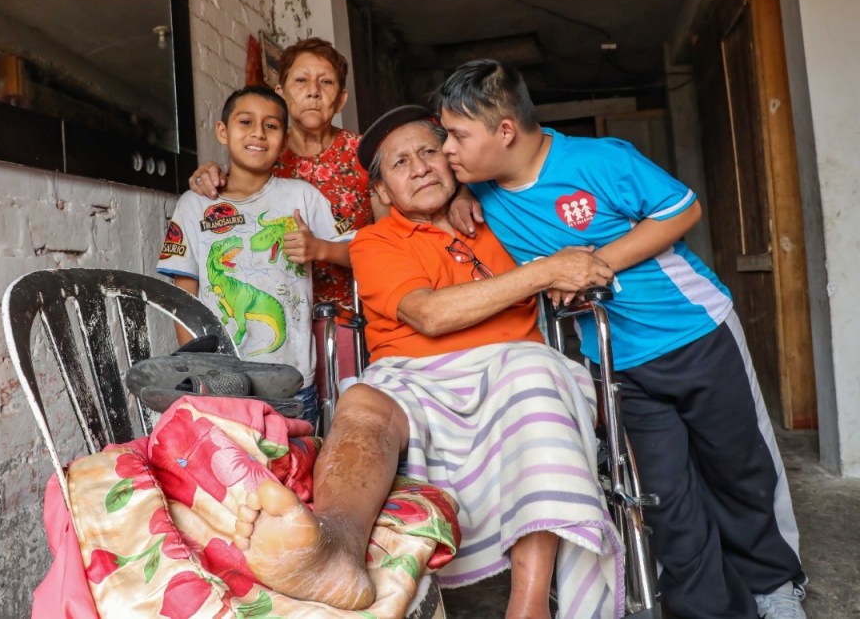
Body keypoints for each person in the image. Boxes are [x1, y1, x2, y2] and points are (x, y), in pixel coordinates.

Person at [437, 59, 806, 619]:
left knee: (739, 471)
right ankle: (712, 607)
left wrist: (594, 264)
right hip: (616, 364)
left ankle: (775, 586)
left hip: (695, 333)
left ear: (504, 130)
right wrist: (456, 197)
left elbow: (682, 210)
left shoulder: (600, 160)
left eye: (457, 135)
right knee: (666, 496)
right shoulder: (481, 198)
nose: (446, 149)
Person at [231, 105, 623, 619]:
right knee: (362, 398)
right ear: (382, 193)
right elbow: (429, 315)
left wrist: (481, 209)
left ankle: (529, 607)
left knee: (537, 372)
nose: (418, 167)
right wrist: (547, 271)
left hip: (514, 376)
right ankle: (334, 552)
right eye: (400, 163)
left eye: (429, 151)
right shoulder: (376, 241)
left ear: (452, 161)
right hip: (417, 381)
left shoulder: (493, 216)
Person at [156, 86, 354, 428]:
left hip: (292, 383)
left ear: (284, 137)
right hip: (221, 382)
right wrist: (198, 370)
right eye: (245, 121)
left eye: (272, 125)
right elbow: (184, 296)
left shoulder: (302, 196)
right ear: (223, 130)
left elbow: (362, 251)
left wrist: (320, 249)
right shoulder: (195, 203)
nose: (258, 133)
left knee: (293, 474)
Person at [188, 37, 375, 385]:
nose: (313, 92)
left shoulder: (365, 154)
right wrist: (208, 175)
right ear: (282, 93)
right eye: (301, 81)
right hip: (281, 320)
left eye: (326, 82)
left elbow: (394, 237)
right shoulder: (261, 150)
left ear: (341, 99)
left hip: (352, 317)